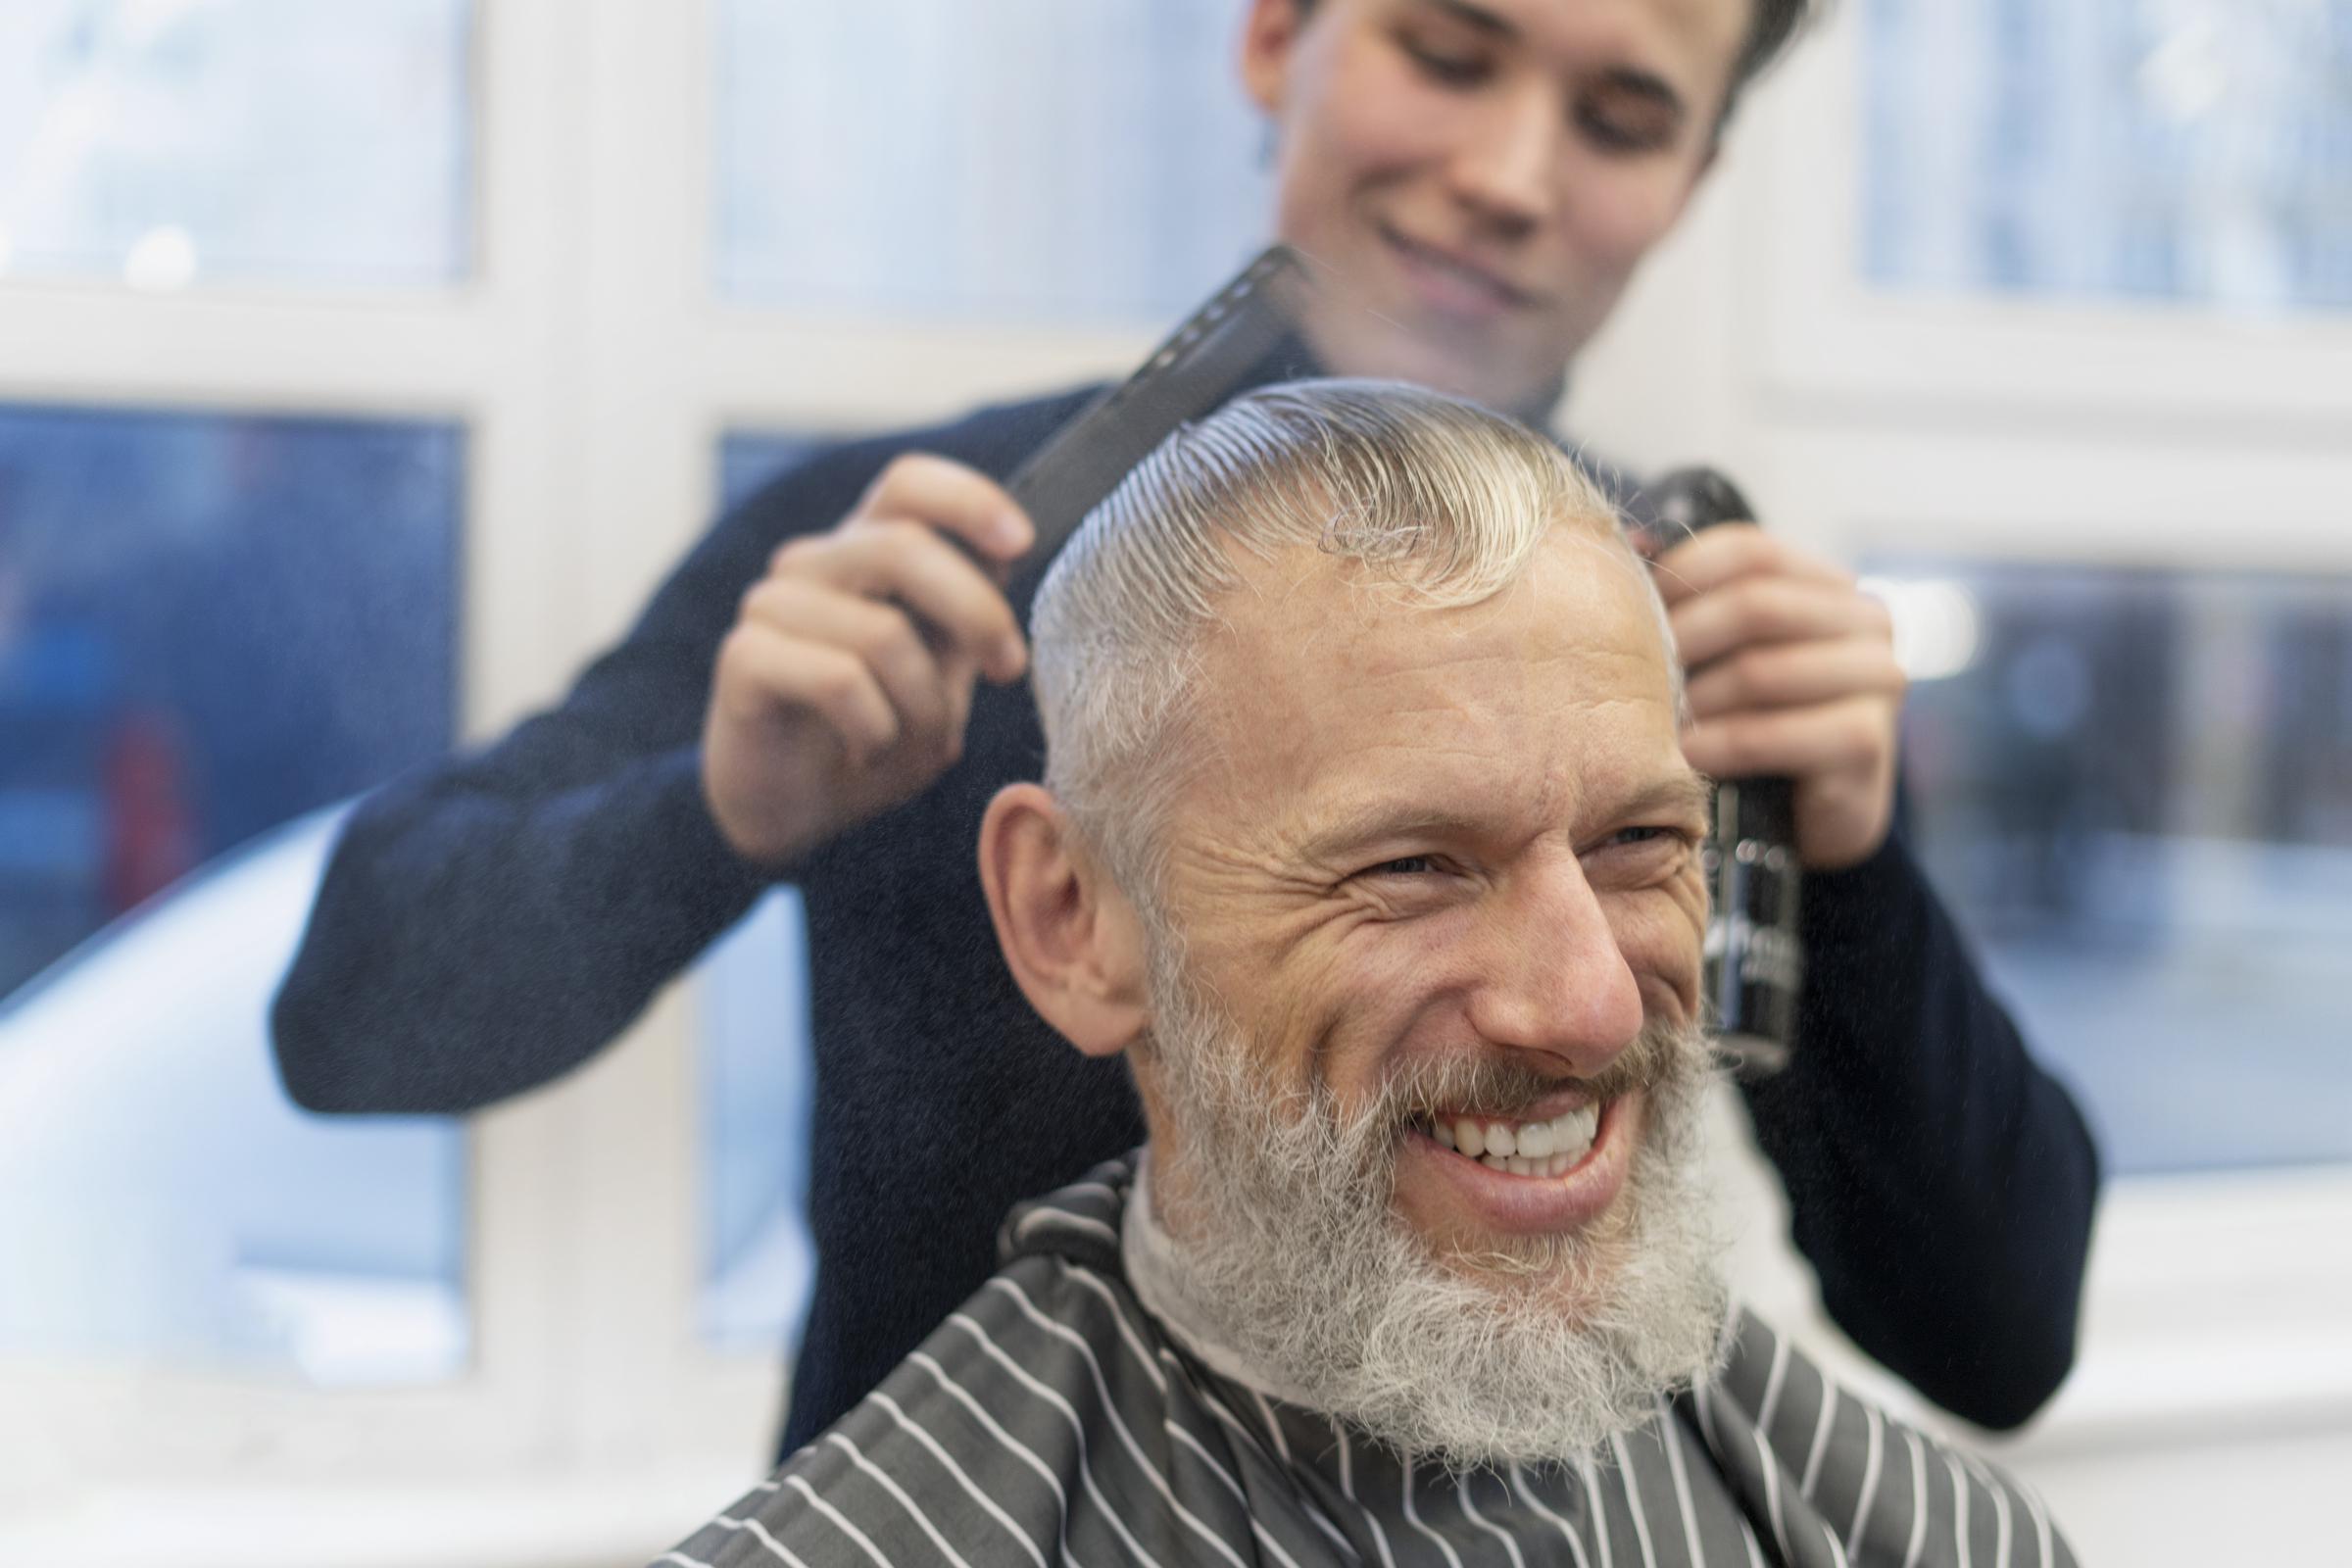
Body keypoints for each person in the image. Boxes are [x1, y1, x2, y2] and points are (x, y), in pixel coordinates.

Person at [273, 0, 2099, 1451]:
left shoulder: (1678, 635)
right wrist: (716, 810)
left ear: (1696, 175)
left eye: (1620, 119)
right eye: (1445, 51)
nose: (1508, 174)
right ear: (1272, 31)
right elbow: (350, 1019)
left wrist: (1848, 871)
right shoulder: (920, 560)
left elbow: (1997, 1334)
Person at [653, 381, 2079, 1568]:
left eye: (1642, 841)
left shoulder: (1919, 1534)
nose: (1587, 1005)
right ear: (1074, 916)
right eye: (1410, 868)